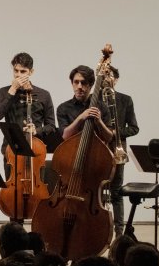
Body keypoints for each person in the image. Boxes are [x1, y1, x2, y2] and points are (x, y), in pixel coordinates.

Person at [59, 65, 139, 238]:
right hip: (74, 159)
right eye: (76, 82)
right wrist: (81, 117)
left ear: (90, 85)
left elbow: (111, 135)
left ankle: (115, 233)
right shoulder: (64, 108)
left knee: (110, 194)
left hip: (100, 157)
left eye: (83, 83)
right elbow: (65, 135)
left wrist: (100, 122)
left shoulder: (106, 105)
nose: (79, 86)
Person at [0, 52, 56, 166]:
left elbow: (51, 126)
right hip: (11, 150)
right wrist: (12, 90)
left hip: (35, 149)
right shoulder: (4, 91)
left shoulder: (44, 95)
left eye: (23, 71)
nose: (18, 75)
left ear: (31, 72)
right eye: (16, 71)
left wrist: (36, 131)